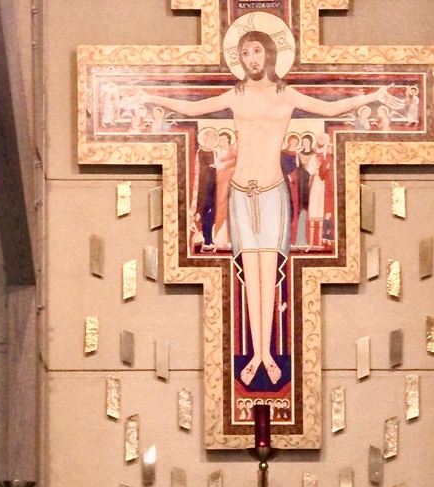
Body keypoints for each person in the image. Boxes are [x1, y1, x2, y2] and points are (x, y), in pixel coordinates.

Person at [138, 34, 391, 389]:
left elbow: (331, 109)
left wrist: (374, 96)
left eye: (256, 51)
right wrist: (150, 96)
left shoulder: (285, 95)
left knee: (268, 274)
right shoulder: (235, 96)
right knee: (249, 274)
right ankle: (257, 354)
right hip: (242, 193)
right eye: (244, 53)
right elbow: (193, 109)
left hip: (272, 192)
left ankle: (266, 354)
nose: (250, 58)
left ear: (269, 55)